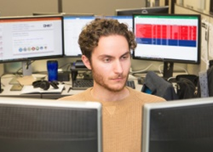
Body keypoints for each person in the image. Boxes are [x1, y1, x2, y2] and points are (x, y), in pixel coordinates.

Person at [58, 18, 165, 152]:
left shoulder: (156, 108)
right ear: (87, 62)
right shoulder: (63, 111)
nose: (119, 70)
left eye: (124, 57)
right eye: (107, 60)